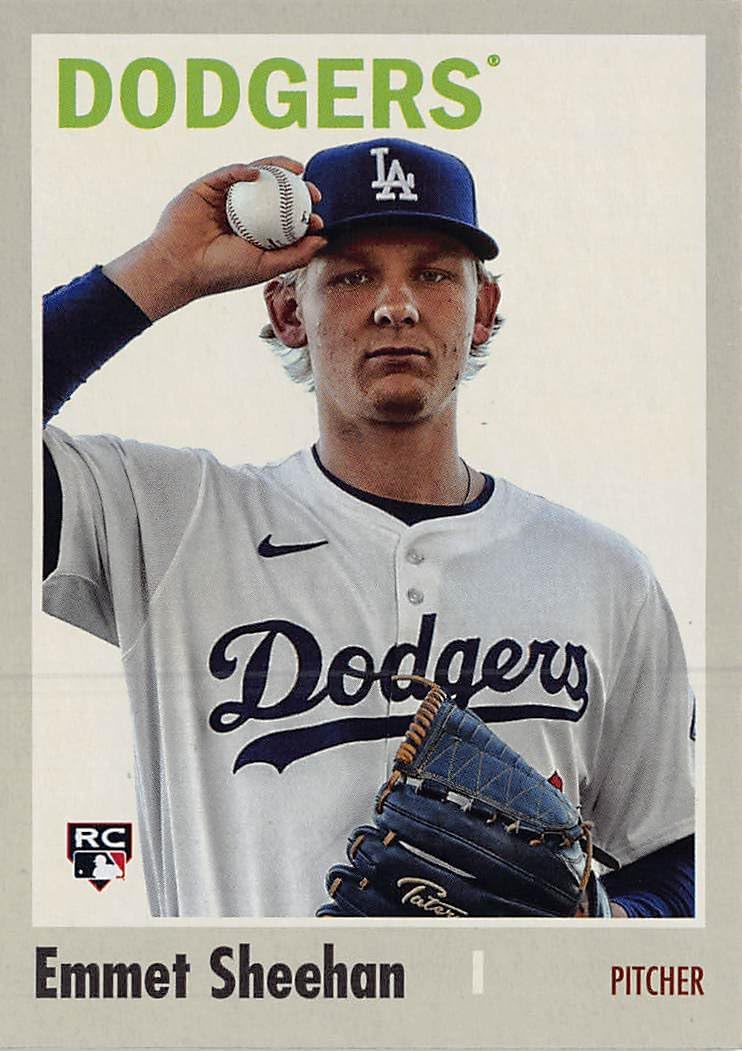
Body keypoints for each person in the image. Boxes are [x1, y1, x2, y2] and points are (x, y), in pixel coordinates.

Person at [42, 138, 695, 918]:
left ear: (483, 310)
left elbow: (678, 861)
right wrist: (164, 267)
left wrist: (602, 927)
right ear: (289, 311)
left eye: (433, 274)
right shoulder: (168, 520)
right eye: (352, 276)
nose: (396, 306)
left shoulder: (603, 576)